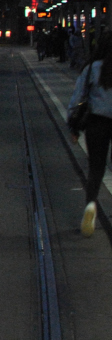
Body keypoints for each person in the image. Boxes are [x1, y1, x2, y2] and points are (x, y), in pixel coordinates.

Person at [70, 40, 112, 237]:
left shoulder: (91, 69)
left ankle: (90, 206)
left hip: (97, 123)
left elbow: (78, 97)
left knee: (96, 168)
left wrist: (74, 128)